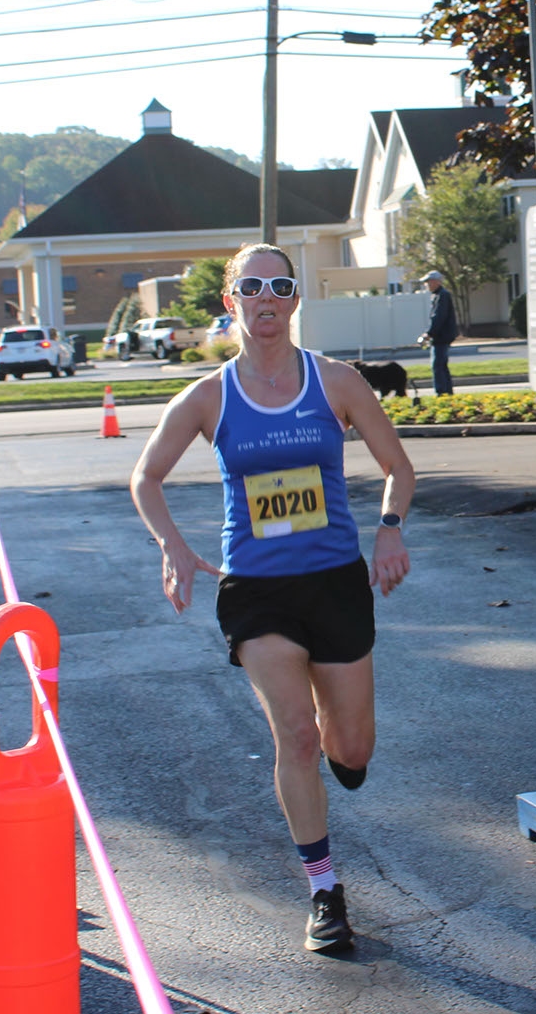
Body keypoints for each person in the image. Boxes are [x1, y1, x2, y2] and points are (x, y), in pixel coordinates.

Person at [131, 242, 414, 955]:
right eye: (252, 287)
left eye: (280, 287)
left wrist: (388, 529)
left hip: (335, 583)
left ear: (293, 301)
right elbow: (146, 477)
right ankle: (324, 891)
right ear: (232, 302)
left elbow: (398, 466)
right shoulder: (208, 397)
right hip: (257, 591)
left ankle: (337, 738)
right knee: (295, 735)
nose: (266, 298)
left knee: (350, 748)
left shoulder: (337, 381)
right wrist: (172, 546)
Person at [416, 270, 458, 396]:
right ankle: (447, 392)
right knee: (442, 365)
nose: (427, 285)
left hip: (441, 336)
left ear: (436, 282)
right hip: (442, 336)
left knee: (438, 365)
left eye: (428, 282)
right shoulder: (439, 295)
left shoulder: (442, 295)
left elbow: (439, 317)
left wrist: (429, 334)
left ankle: (441, 392)